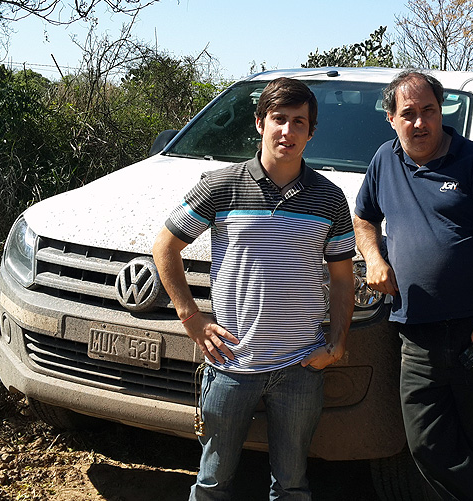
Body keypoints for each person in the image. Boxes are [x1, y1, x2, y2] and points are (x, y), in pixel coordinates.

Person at [152, 77, 356, 501]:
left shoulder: (330, 198)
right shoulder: (219, 185)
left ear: (311, 131)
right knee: (213, 482)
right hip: (230, 364)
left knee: (293, 486)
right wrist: (191, 318)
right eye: (279, 119)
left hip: (301, 367)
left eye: (299, 122)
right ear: (260, 123)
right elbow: (164, 248)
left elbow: (341, 279)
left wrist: (336, 343)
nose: (288, 131)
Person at [353, 70, 473, 501]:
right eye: (408, 113)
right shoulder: (384, 160)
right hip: (418, 331)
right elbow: (363, 217)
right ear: (391, 118)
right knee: (426, 442)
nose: (420, 122)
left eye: (429, 111)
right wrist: (373, 257)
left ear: (440, 110)